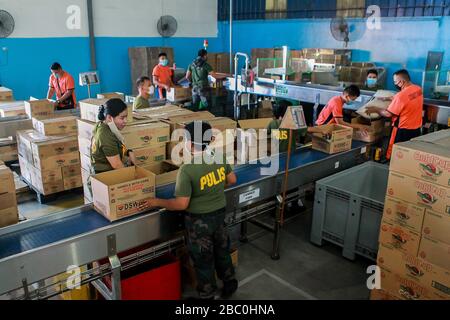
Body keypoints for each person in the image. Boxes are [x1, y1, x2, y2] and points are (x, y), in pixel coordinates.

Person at [147, 121, 238, 300]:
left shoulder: (187, 170)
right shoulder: (219, 156)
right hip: (220, 214)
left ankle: (207, 294)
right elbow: (232, 179)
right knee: (222, 251)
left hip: (199, 222)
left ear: (188, 143)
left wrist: (157, 201)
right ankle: (229, 284)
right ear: (209, 139)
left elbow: (181, 204)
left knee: (203, 259)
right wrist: (215, 185)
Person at [366, 69, 423, 160]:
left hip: (402, 130)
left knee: (396, 154)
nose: (395, 83)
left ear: (401, 82)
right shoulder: (418, 89)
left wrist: (375, 109)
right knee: (409, 155)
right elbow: (408, 98)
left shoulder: (401, 96)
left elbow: (388, 114)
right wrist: (390, 98)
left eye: (395, 82)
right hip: (416, 128)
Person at [91, 98, 136, 174]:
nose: (126, 121)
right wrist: (133, 176)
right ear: (109, 118)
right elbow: (117, 165)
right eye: (122, 118)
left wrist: (128, 152)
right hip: (105, 175)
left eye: (126, 117)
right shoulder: (105, 135)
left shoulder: (102, 125)